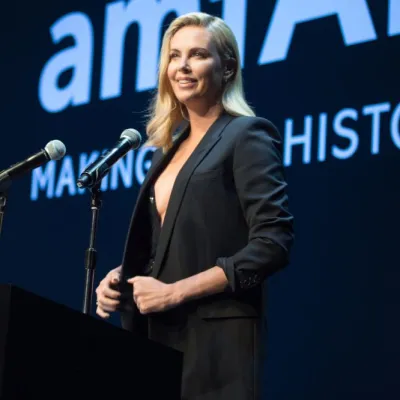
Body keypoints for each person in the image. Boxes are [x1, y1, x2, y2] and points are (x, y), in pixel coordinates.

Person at [95, 11, 294, 400]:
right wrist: (123, 277)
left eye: (198, 54)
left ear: (227, 67)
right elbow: (169, 248)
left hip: (216, 345)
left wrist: (175, 292)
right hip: (157, 337)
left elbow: (273, 243)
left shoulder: (246, 134)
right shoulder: (167, 150)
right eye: (174, 55)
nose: (182, 66)